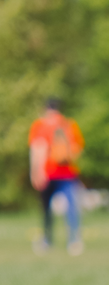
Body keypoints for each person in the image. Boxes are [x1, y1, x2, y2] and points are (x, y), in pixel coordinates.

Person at [29, 98, 85, 255]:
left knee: (46, 209)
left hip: (47, 173)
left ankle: (46, 240)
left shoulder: (40, 125)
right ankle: (74, 241)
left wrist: (35, 172)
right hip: (68, 173)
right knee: (72, 208)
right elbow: (77, 149)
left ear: (45, 108)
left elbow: (37, 148)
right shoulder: (68, 125)